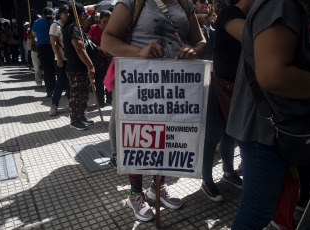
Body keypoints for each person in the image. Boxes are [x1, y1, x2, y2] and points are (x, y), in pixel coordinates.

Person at [101, 0, 206, 221]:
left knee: (168, 137)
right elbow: (106, 40)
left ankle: (159, 188)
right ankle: (135, 195)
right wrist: (140, 52)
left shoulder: (184, 4)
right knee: (139, 139)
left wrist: (193, 50)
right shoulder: (133, 2)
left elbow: (201, 41)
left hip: (174, 87)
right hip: (140, 86)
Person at [226, 0, 310, 228]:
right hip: (267, 129)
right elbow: (273, 75)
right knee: (257, 214)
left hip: (286, 127)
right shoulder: (280, 3)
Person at [200, 0, 253, 202]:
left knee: (231, 134)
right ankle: (206, 180)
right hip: (220, 87)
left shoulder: (247, 17)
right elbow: (254, 38)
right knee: (212, 136)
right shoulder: (230, 13)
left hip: (239, 89)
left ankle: (229, 173)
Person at [62, 3, 96, 131]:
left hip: (82, 67)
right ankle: (74, 119)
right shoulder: (72, 28)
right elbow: (80, 49)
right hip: (75, 67)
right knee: (76, 94)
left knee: (84, 92)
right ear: (81, 15)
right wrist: (91, 65)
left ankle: (81, 115)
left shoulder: (77, 27)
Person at [88, 10, 112, 107]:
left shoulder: (111, 29)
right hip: (98, 58)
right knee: (99, 80)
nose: (106, 24)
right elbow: (89, 43)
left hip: (109, 57)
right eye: (104, 21)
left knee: (109, 79)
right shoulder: (94, 28)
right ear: (100, 19)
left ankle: (109, 99)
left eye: (108, 22)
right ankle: (100, 101)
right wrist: (99, 48)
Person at [49, 4, 70, 116]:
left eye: (68, 12)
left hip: (70, 59)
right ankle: (54, 104)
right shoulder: (55, 25)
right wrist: (59, 57)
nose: (67, 14)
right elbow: (54, 43)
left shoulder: (70, 25)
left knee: (71, 82)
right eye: (65, 12)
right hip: (61, 59)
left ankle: (72, 104)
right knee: (60, 83)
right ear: (60, 13)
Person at [32, 7, 56, 97]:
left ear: (42, 14)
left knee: (47, 70)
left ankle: (50, 90)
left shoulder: (37, 22)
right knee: (55, 69)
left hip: (42, 48)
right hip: (53, 47)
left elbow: (33, 34)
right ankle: (57, 88)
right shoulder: (54, 22)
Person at [30, 15, 43, 86]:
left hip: (43, 49)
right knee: (37, 66)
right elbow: (33, 39)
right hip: (35, 49)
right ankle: (38, 80)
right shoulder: (32, 30)